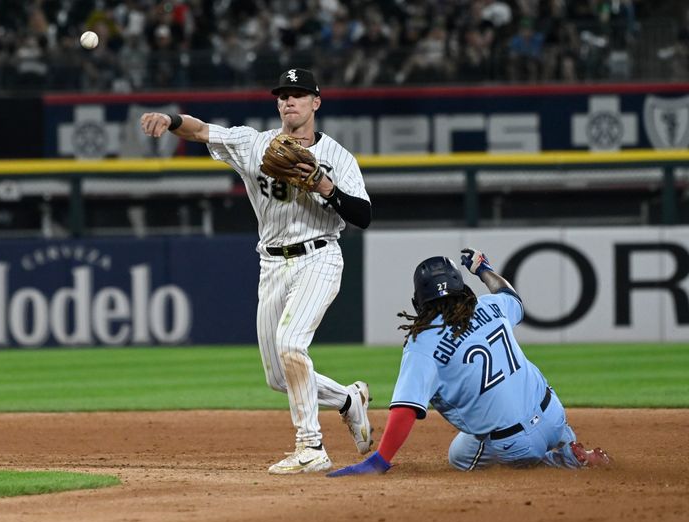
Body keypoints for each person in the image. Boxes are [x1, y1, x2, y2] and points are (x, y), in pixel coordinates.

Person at [140, 68, 373, 474]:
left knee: (291, 344)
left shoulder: (337, 157)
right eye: (283, 94)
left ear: (316, 102)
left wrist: (326, 189)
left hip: (319, 257)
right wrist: (172, 119)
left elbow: (364, 215)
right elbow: (201, 131)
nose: (289, 101)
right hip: (271, 265)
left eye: (299, 94)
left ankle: (311, 446)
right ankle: (349, 400)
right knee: (279, 377)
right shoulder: (254, 144)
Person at [328, 248, 610, 477]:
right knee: (524, 420)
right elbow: (512, 297)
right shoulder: (490, 306)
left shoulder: (422, 342)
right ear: (460, 288)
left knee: (459, 456)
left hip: (516, 443)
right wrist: (484, 270)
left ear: (419, 301)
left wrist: (380, 460)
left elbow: (405, 409)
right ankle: (566, 442)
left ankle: (561, 461)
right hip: (554, 415)